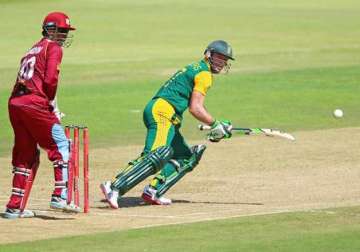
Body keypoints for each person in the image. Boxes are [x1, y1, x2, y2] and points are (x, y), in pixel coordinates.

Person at [100, 40, 234, 209]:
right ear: (208, 54)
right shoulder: (204, 74)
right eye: (219, 58)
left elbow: (197, 105)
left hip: (166, 114)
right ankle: (113, 187)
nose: (221, 63)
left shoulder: (197, 68)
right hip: (162, 112)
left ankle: (153, 191)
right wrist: (215, 124)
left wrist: (217, 125)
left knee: (185, 157)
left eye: (225, 60)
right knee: (155, 154)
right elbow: (195, 108)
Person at [3, 12, 77, 219]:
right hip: (34, 103)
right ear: (49, 29)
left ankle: (14, 207)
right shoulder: (53, 48)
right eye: (60, 31)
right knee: (61, 145)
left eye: (65, 32)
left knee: (25, 154)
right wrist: (51, 105)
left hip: (16, 103)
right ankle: (60, 196)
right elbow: (51, 79)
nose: (63, 35)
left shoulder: (31, 50)